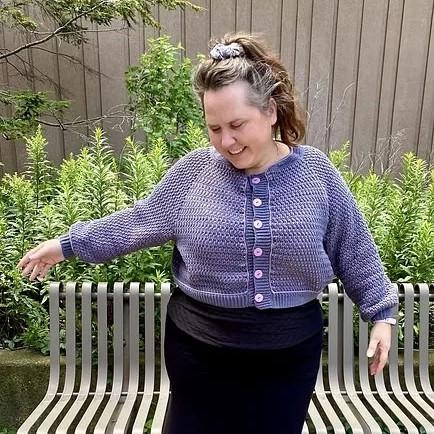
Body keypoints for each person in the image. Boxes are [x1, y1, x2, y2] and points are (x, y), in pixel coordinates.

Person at [17, 32, 398, 434]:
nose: (226, 141)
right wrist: (68, 244)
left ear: (270, 111)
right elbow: (137, 222)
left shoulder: (316, 175)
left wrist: (382, 315)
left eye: (237, 125)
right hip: (199, 353)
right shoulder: (194, 174)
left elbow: (354, 248)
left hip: (285, 358)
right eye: (214, 128)